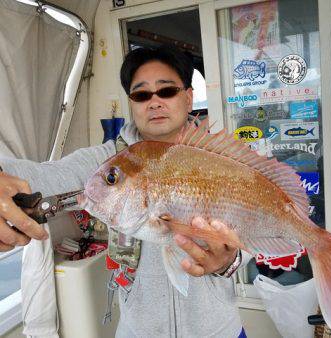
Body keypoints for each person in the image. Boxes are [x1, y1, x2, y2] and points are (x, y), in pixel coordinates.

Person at [0, 45, 247, 338]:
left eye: (166, 91)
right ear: (131, 103)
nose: (154, 102)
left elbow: (255, 229)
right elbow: (43, 175)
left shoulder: (222, 161)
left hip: (221, 331)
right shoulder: (107, 165)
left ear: (189, 97)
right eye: (141, 94)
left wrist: (230, 262)